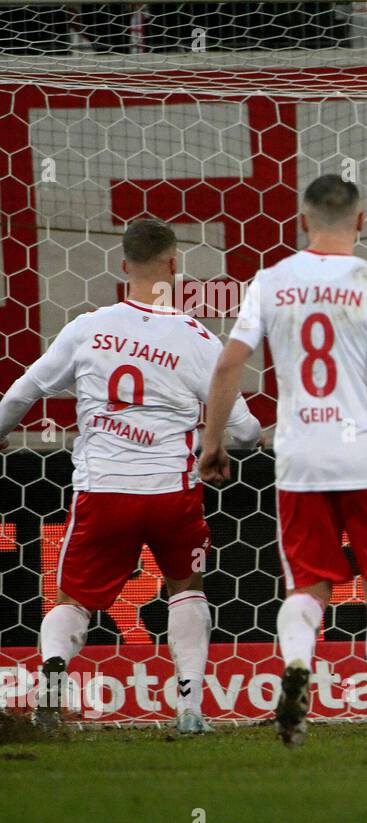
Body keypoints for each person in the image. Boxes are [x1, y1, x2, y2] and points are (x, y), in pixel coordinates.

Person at [200, 174, 367, 759]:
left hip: (301, 455)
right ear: (360, 222)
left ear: (303, 222)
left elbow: (227, 368)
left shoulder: (271, 282)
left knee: (307, 585)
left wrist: (211, 442)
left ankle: (298, 665)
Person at [0, 219, 262, 734]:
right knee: (186, 587)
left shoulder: (87, 328)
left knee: (73, 599)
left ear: (123, 267)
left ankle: (53, 677)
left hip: (103, 492)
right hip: (171, 493)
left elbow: (23, 392)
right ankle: (189, 709)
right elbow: (247, 430)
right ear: (174, 267)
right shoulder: (199, 341)